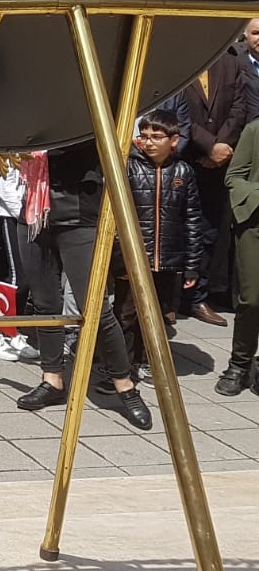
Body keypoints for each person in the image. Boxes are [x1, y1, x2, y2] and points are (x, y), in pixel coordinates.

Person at [14, 145, 152, 429]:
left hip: (78, 208)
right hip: (32, 210)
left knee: (95, 307)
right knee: (44, 304)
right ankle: (52, 379)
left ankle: (124, 385)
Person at [176, 50, 250, 326]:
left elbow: (239, 108)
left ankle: (197, 297)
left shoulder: (229, 61)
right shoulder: (173, 59)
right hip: (185, 157)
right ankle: (170, 299)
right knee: (176, 229)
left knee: (208, 231)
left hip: (219, 163)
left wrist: (221, 147)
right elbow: (177, 113)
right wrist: (209, 146)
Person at [126, 110, 201, 380]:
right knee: (127, 313)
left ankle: (148, 360)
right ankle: (123, 366)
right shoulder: (129, 167)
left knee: (157, 313)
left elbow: (192, 220)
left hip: (167, 260)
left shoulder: (183, 171)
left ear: (174, 140)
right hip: (133, 258)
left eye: (156, 137)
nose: (149, 142)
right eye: (144, 136)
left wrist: (192, 265)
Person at [224, 111, 259, 394]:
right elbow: (233, 177)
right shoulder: (254, 130)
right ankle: (240, 364)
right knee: (252, 298)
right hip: (254, 224)